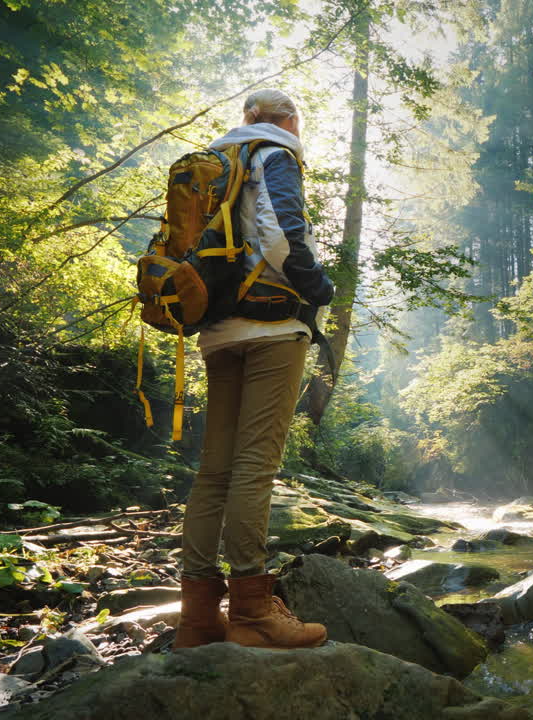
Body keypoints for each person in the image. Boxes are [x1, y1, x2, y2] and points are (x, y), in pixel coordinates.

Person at [173, 89, 335, 650]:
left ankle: (196, 620)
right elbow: (280, 235)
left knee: (214, 470)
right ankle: (251, 612)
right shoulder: (275, 153)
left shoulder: (215, 165)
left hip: (217, 331)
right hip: (270, 328)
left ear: (244, 118)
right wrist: (320, 290)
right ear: (290, 120)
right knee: (254, 469)